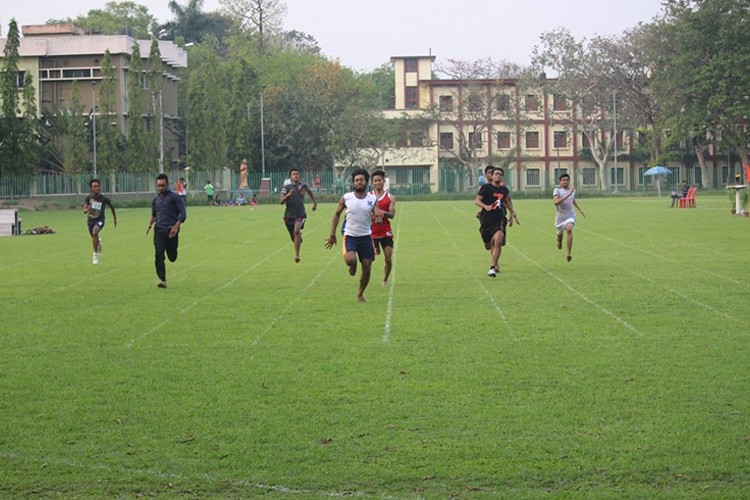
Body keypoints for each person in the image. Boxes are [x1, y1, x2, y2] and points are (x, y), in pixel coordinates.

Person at [325, 169, 382, 302]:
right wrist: (332, 235)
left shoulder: (372, 199)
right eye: (356, 180)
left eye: (361, 180)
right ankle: (353, 263)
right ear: (353, 183)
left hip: (366, 236)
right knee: (350, 260)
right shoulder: (346, 198)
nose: (359, 182)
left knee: (367, 267)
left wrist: (378, 218)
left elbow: (377, 213)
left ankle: (360, 293)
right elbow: (336, 215)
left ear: (366, 182)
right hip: (350, 235)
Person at [146, 173, 187, 288]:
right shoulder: (155, 200)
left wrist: (176, 226)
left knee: (172, 257)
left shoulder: (174, 197)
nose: (161, 188)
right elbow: (154, 215)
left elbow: (183, 213)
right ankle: (162, 280)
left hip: (171, 231)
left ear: (167, 185)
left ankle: (173, 252)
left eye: (163, 185)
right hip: (159, 230)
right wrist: (149, 225)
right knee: (158, 254)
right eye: (159, 186)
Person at [475, 168, 515, 277]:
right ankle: (494, 260)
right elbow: (477, 200)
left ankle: (493, 267)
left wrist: (512, 214)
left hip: (500, 219)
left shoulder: (503, 190)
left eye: (500, 174)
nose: (498, 176)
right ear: (491, 176)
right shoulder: (486, 188)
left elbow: (506, 202)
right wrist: (484, 207)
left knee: (498, 240)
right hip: (486, 220)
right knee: (488, 245)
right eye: (496, 174)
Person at [280, 167, 318, 262]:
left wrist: (314, 203)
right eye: (294, 174)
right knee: (294, 237)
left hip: (300, 214)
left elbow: (309, 191)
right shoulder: (286, 188)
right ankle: (297, 238)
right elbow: (281, 201)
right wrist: (288, 195)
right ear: (290, 177)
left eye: (297, 174)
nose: (296, 176)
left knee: (296, 231)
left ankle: (297, 255)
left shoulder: (303, 186)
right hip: (289, 216)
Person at [369, 169, 396, 286]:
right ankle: (366, 278)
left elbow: (392, 215)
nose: (377, 183)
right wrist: (373, 215)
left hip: (385, 231)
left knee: (388, 258)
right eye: (375, 181)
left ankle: (385, 278)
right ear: (372, 182)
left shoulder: (390, 197)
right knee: (369, 259)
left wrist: (382, 213)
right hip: (371, 232)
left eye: (379, 180)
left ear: (383, 181)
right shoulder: (368, 197)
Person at [83, 178, 117, 265]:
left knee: (95, 233)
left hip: (100, 220)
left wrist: (114, 218)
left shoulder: (104, 198)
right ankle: (99, 241)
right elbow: (85, 208)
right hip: (90, 221)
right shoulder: (88, 198)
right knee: (94, 236)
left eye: (98, 186)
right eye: (94, 187)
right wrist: (86, 209)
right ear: (91, 188)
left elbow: (112, 207)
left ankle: (95, 255)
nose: (96, 188)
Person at [553, 173, 585, 262]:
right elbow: (556, 202)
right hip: (560, 217)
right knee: (559, 235)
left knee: (569, 229)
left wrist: (579, 209)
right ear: (560, 182)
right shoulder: (557, 191)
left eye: (567, 180)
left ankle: (568, 253)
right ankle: (559, 242)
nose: (565, 182)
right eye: (563, 180)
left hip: (570, 215)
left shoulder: (572, 191)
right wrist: (568, 194)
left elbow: (572, 199)